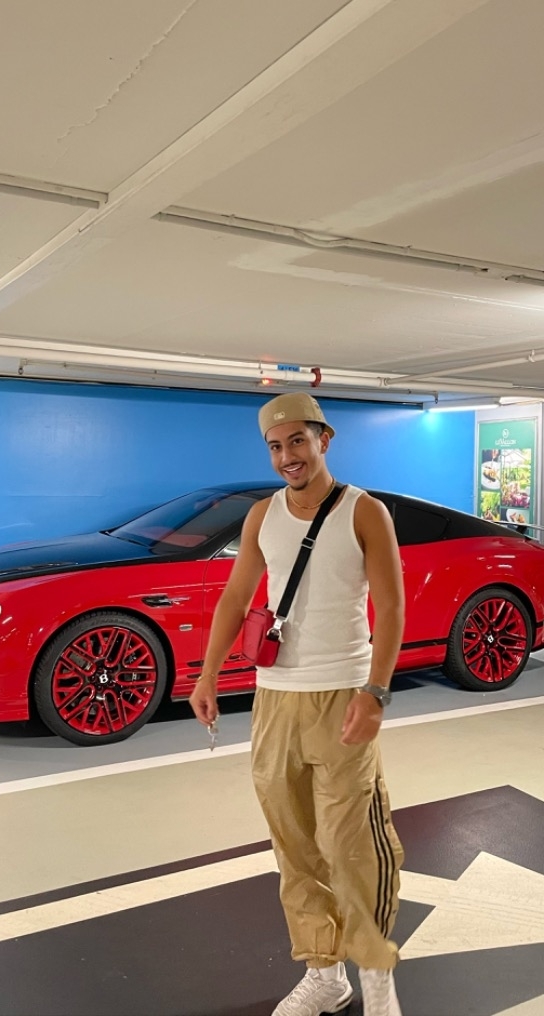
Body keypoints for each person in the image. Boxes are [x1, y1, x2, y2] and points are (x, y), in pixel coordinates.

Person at [190, 392, 405, 1016]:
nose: (288, 456)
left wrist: (376, 691)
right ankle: (324, 972)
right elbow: (236, 598)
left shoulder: (365, 511)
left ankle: (376, 973)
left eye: (298, 442)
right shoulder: (262, 515)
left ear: (323, 440)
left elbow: (390, 605)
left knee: (352, 843)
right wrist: (207, 675)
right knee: (295, 845)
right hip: (275, 699)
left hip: (344, 695)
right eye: (276, 447)